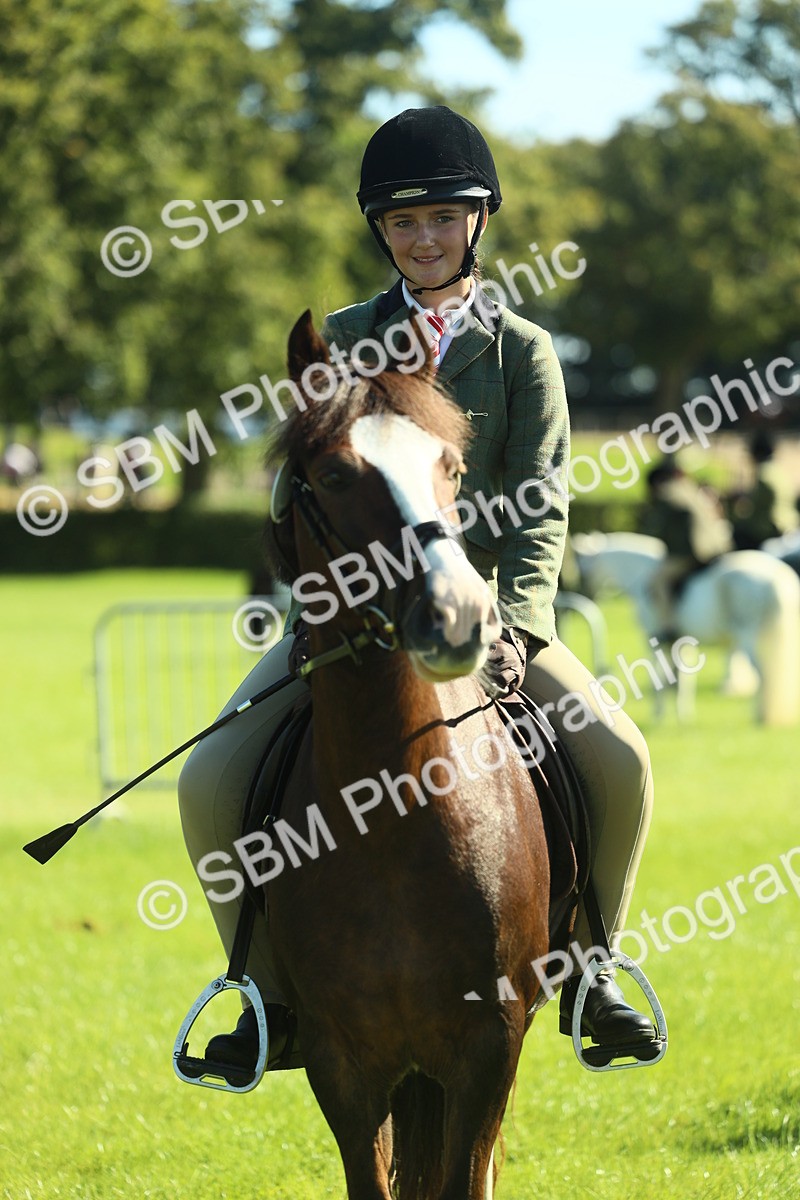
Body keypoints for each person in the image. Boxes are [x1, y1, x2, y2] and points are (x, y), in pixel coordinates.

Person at [178, 106, 657, 1073]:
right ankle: (263, 991)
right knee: (209, 781)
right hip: (355, 616)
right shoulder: (343, 339)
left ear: (478, 222)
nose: (423, 238)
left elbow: (541, 506)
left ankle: (595, 967)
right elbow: (292, 490)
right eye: (403, 224)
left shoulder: (523, 352)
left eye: (441, 218)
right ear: (382, 234)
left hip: (482, 612)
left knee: (621, 758)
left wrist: (517, 622)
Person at [640, 459, 734, 640]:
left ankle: (669, 628)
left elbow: (657, 528)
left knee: (658, 582)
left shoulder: (667, 494)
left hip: (695, 553)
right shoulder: (691, 488)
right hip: (719, 548)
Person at [730, 430, 799, 551]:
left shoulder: (763, 475)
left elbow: (755, 510)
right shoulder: (778, 470)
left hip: (773, 530)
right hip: (790, 524)